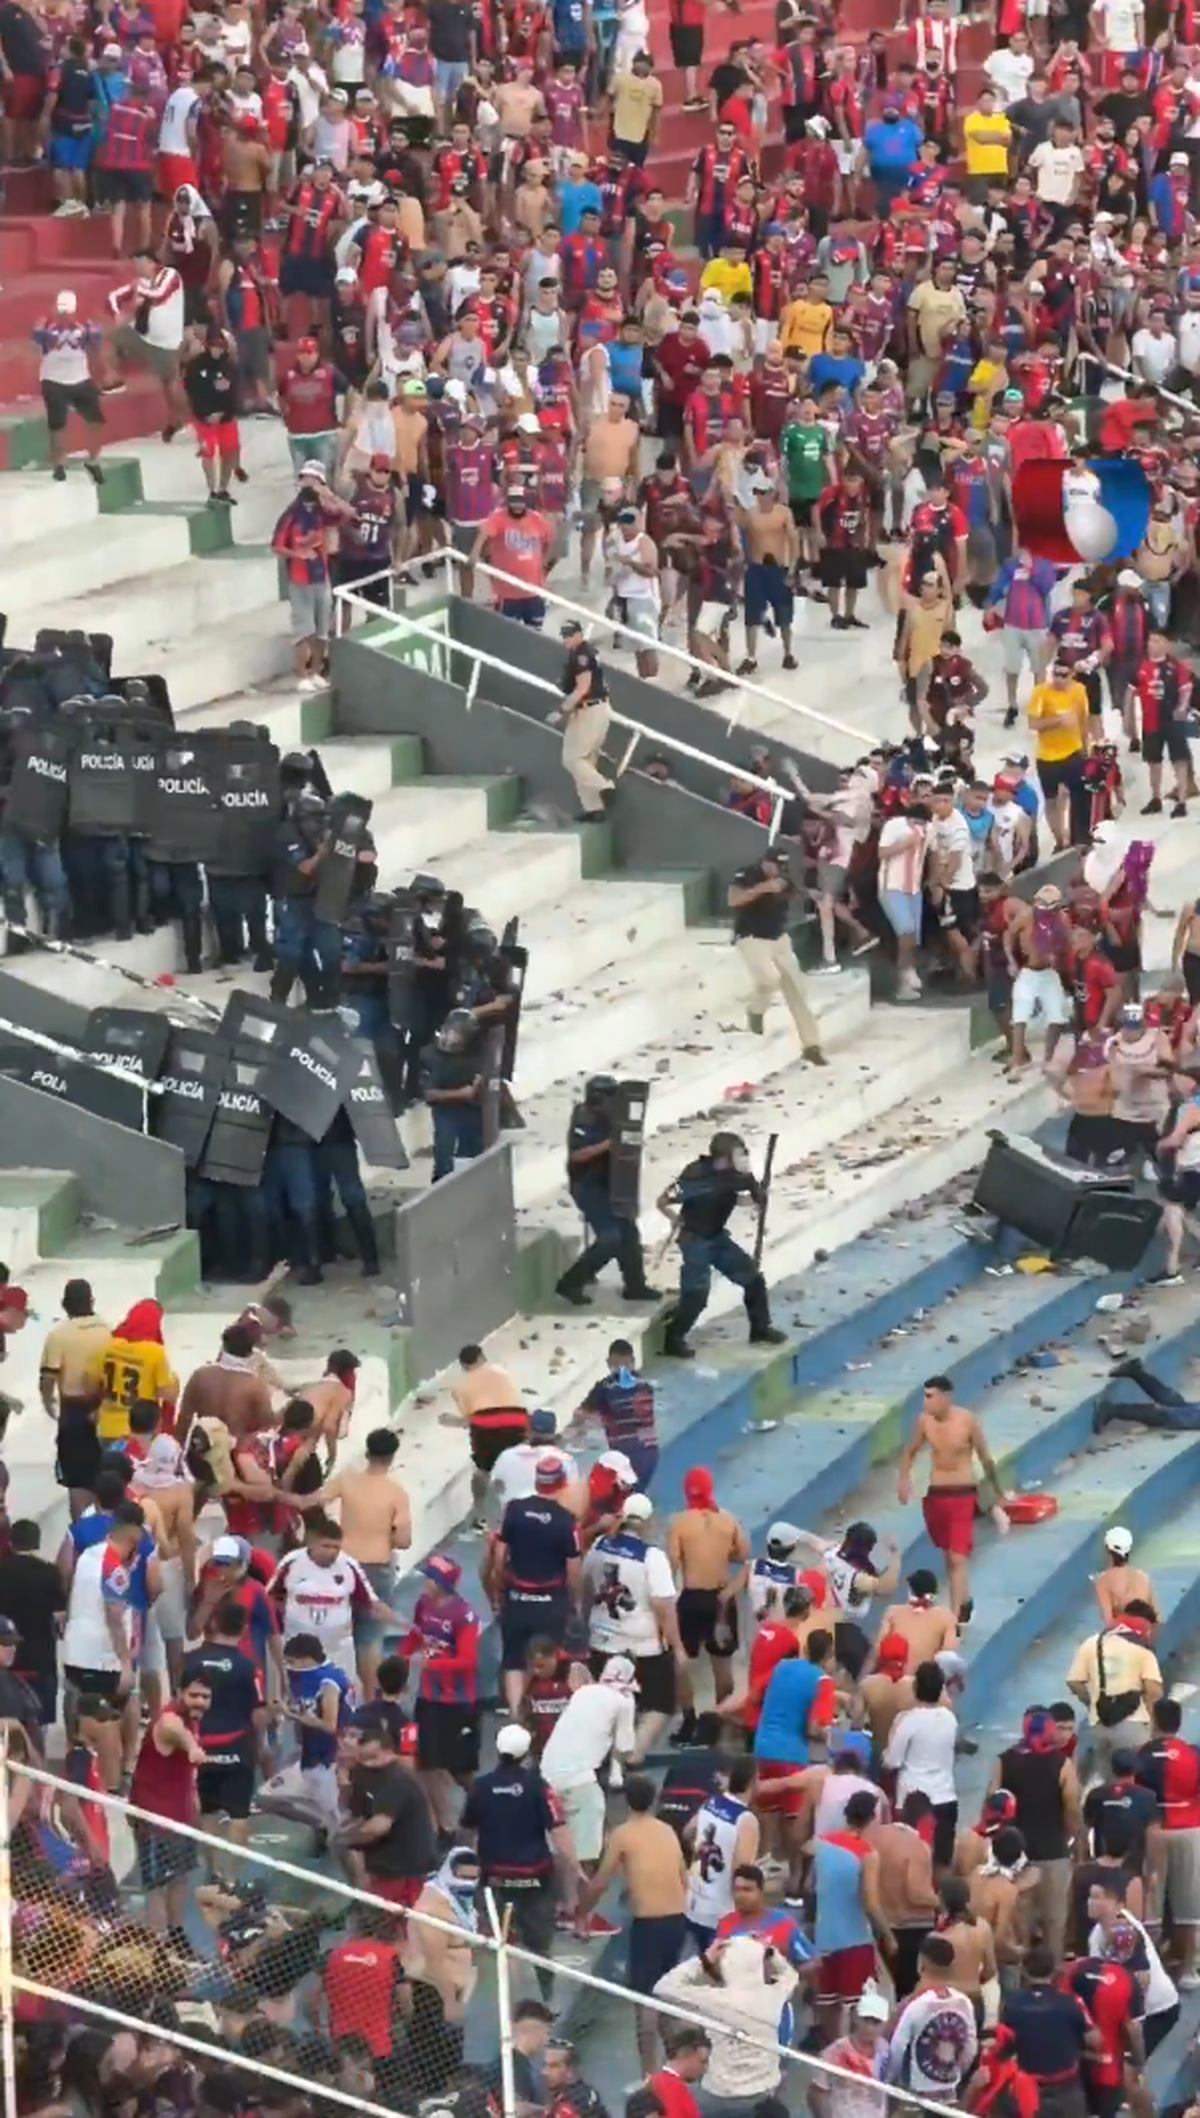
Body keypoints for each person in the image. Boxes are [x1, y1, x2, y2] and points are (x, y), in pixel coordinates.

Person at [582, 1772, 688, 2072]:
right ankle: (675, 2066)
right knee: (668, 1994)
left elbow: (601, 1881)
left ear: (627, 1801)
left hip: (649, 1926)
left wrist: (582, 1912)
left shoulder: (622, 1834)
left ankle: (648, 2073)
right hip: (677, 1921)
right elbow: (684, 1878)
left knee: (643, 2000)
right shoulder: (667, 1830)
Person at [462, 1722, 578, 1996]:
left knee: (504, 1945)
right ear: (527, 1752)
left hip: (494, 1878)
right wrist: (573, 1869)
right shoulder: (539, 1786)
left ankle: (511, 2011)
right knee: (540, 1947)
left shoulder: (480, 1786)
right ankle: (545, 1999)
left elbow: (467, 1831)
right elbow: (559, 1831)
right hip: (535, 1878)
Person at [657, 1131, 787, 1359]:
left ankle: (760, 1329)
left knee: (753, 1279)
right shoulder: (694, 1175)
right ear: (723, 1157)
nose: (743, 1158)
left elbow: (745, 1194)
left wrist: (759, 1197)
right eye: (738, 1153)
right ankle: (673, 1337)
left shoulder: (738, 1175)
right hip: (695, 1240)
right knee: (697, 1295)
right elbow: (663, 1200)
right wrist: (674, 1218)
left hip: (718, 1238)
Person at [897, 1376, 1009, 1624]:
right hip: (937, 1497)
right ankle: (965, 1600)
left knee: (958, 1558)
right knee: (949, 1556)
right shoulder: (924, 1421)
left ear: (946, 1397)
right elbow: (910, 1451)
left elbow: (985, 1458)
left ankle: (953, 1622)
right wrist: (904, 1479)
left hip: (962, 1494)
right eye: (924, 1396)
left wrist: (998, 1491)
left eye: (930, 1396)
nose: (925, 1402)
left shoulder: (967, 1420)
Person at [667, 1467, 749, 1737]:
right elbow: (744, 1554)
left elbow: (672, 1563)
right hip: (721, 1599)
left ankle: (689, 1720)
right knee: (722, 1666)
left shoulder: (679, 1522)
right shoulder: (728, 1519)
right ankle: (718, 1723)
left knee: (681, 1661)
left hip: (691, 1598)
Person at [727, 855, 826, 1062]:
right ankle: (756, 1010)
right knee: (768, 980)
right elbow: (733, 899)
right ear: (766, 862)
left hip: (779, 937)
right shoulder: (748, 874)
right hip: (751, 937)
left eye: (782, 866)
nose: (779, 870)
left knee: (798, 991)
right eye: (776, 865)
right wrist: (762, 889)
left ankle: (811, 1045)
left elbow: (794, 893)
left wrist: (809, 894)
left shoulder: (784, 878)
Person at [39, 1277, 111, 1519]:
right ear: (92, 1301)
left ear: (64, 1304)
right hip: (106, 1412)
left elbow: (48, 1378)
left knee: (77, 1482)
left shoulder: (59, 1335)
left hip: (74, 1413)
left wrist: (48, 1403)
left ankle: (81, 1537)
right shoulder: (108, 1331)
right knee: (105, 1477)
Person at [552, 617, 613, 822]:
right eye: (564, 635)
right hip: (594, 708)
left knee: (572, 758)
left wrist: (562, 710)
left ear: (579, 634)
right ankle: (594, 809)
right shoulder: (582, 652)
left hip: (590, 710)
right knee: (585, 760)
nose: (566, 639)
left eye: (570, 635)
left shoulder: (582, 655)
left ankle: (604, 786)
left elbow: (582, 688)